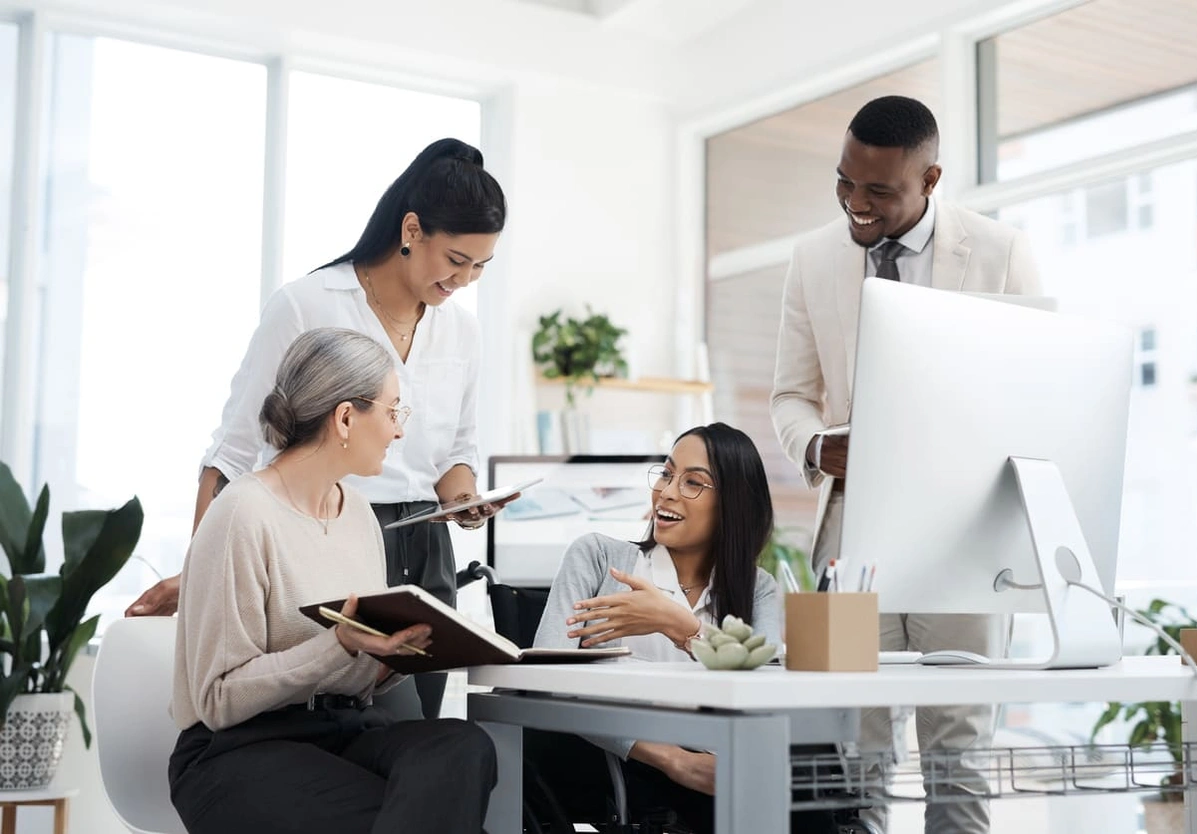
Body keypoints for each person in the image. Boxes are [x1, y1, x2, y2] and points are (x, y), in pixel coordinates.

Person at [128, 137, 508, 719]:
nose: (465, 280)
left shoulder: (462, 332)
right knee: (330, 726)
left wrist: (464, 500)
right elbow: (232, 450)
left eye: (481, 266)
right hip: (328, 538)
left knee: (414, 739)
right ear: (411, 231)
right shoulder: (308, 303)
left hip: (425, 548)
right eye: (456, 261)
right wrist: (203, 568)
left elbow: (455, 452)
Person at [770, 95, 1042, 834]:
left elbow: (1033, 387)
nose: (856, 205)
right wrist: (818, 446)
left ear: (931, 179)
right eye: (844, 183)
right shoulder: (815, 256)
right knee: (855, 747)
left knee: (959, 745)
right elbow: (792, 396)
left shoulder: (998, 252)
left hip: (967, 533)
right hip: (856, 535)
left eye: (879, 191)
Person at [168, 327, 496, 834]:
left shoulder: (359, 513)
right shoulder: (242, 514)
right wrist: (337, 646)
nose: (399, 431)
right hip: (238, 750)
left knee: (463, 745)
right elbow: (218, 702)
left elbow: (359, 675)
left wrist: (404, 652)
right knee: (411, 815)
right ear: (346, 417)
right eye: (392, 412)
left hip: (344, 730)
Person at [529, 423, 838, 834]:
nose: (667, 492)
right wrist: (674, 760)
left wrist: (684, 628)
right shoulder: (598, 558)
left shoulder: (757, 588)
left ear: (732, 504)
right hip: (625, 760)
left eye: (693, 482)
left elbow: (763, 689)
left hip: (724, 757)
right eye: (667, 473)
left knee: (800, 788)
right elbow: (547, 688)